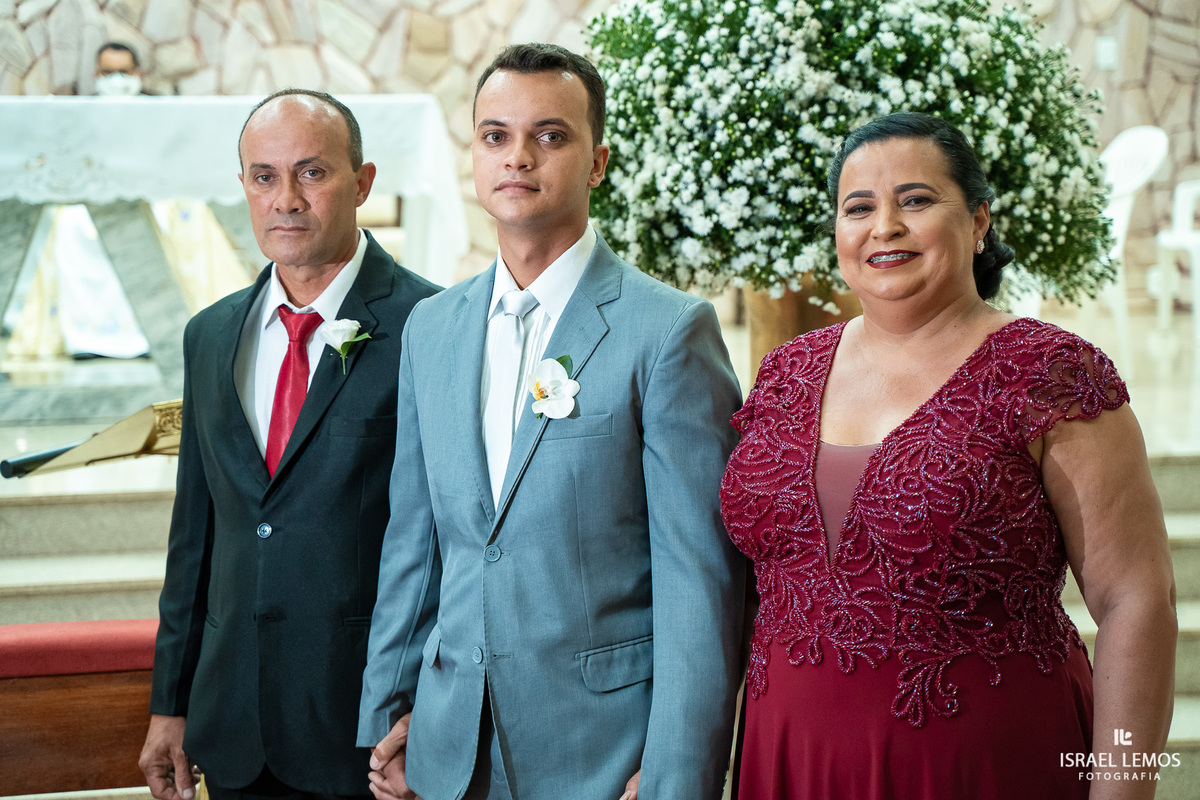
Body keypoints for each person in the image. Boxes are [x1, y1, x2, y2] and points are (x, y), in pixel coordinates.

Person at [720, 111, 1177, 799]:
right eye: (859, 208)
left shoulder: (1050, 372)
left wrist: (1125, 791)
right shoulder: (786, 370)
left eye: (916, 200)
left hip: (985, 762)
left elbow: (1136, 599)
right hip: (790, 756)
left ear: (979, 221)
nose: (885, 227)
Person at [358, 43, 746, 800]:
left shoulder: (666, 332)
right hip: (447, 748)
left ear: (597, 162)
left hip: (602, 756)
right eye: (496, 136)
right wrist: (387, 715)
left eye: (551, 135)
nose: (519, 158)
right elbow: (415, 542)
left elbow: (701, 579)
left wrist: (677, 772)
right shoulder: (432, 328)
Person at [139, 89, 440, 800]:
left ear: (362, 183)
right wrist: (170, 702)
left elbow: (452, 542)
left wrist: (430, 706)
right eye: (264, 177)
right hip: (233, 719)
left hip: (367, 727)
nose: (286, 200)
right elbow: (196, 536)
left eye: (312, 173)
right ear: (243, 185)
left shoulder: (432, 324)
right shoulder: (210, 334)